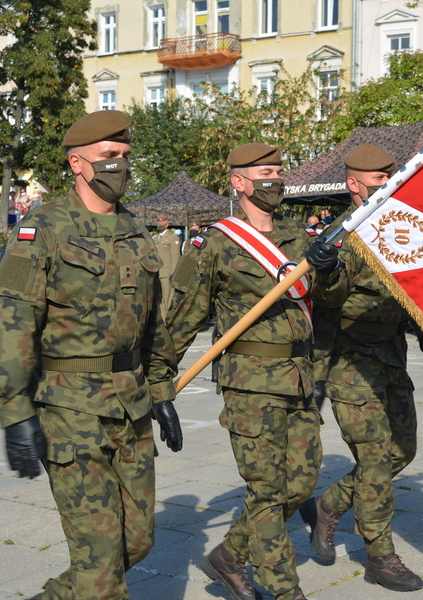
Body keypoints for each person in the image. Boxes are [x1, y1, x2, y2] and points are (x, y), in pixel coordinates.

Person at [0, 109, 182, 600]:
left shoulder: (135, 230)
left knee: (135, 543)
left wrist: (161, 391)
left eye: (125, 156)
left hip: (130, 405)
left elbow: (153, 320)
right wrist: (15, 410)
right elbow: (11, 319)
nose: (120, 165)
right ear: (78, 163)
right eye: (108, 157)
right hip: (69, 410)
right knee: (100, 566)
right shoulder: (43, 227)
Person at [166, 143, 321, 600]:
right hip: (250, 382)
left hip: (300, 376)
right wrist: (159, 383)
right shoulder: (216, 242)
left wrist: (331, 272)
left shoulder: (296, 235)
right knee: (267, 488)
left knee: (302, 481)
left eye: (278, 170)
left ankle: (230, 555)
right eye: (265, 172)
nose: (276, 179)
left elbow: (324, 299)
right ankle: (282, 587)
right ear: (239, 182)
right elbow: (184, 315)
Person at [300, 144, 423, 593]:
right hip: (349, 363)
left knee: (402, 452)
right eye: (378, 180)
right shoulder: (343, 236)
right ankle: (379, 556)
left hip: (390, 356)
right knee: (373, 458)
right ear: (354, 184)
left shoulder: (399, 228)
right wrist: (326, 270)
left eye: (391, 178)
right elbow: (328, 295)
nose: (388, 185)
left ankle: (327, 505)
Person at [153, 215, 181, 313]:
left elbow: (175, 257)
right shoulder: (155, 238)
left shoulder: (172, 237)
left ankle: (167, 323)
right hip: (156, 273)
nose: (159, 223)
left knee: (167, 300)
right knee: (159, 300)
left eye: (161, 221)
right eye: (158, 221)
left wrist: (174, 274)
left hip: (167, 273)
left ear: (167, 224)